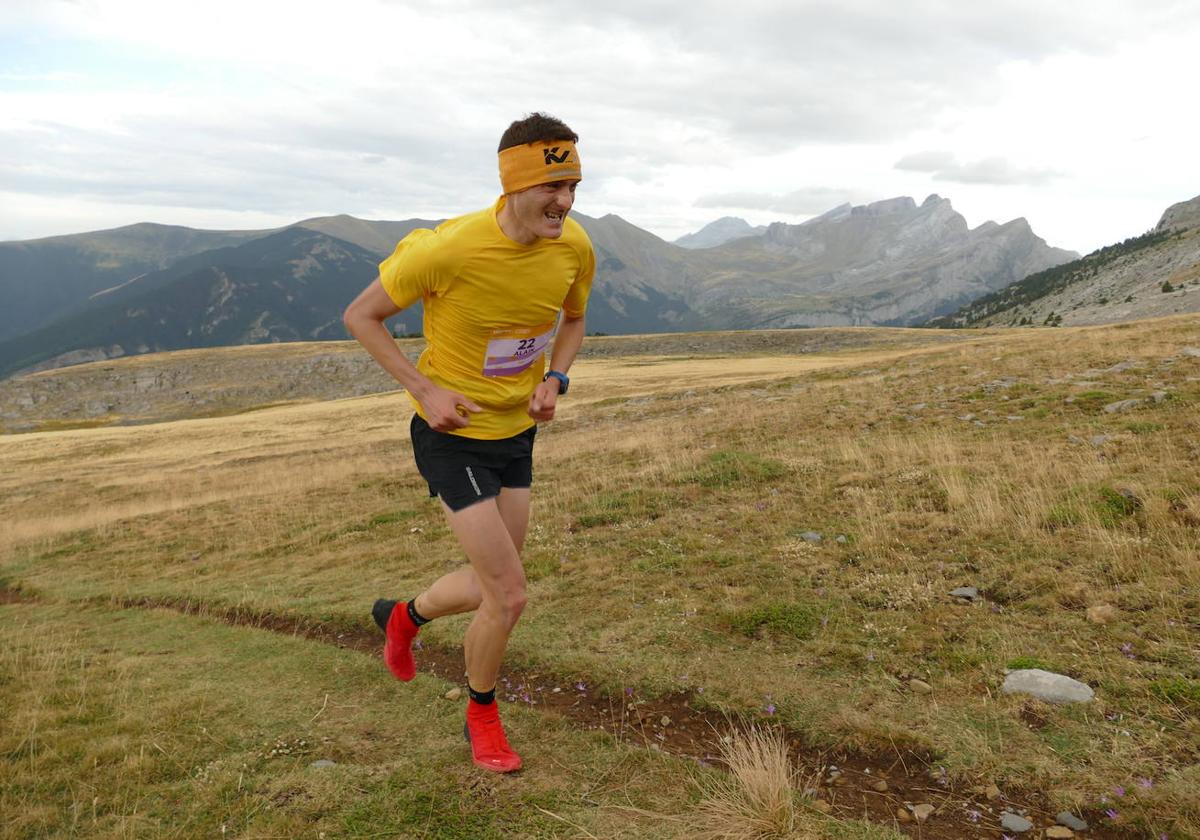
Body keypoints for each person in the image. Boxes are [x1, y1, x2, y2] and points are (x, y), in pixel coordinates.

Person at [342, 112, 594, 773]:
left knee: (492, 587)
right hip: (451, 437)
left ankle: (403, 618)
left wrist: (557, 379)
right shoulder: (447, 250)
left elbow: (574, 319)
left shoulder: (573, 248)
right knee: (510, 595)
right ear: (514, 184)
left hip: (516, 436)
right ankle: (481, 714)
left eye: (573, 185)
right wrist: (423, 390)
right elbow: (360, 316)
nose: (564, 202)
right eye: (551, 186)